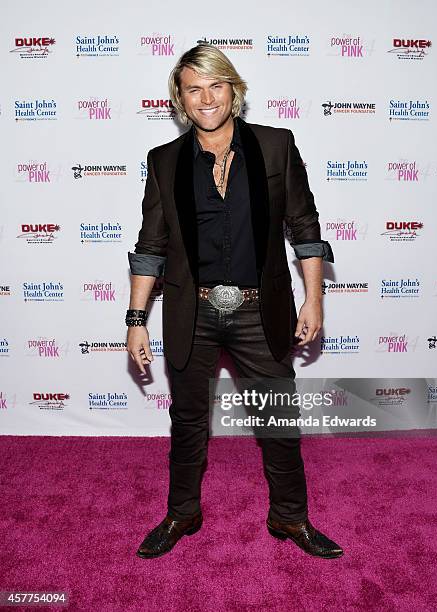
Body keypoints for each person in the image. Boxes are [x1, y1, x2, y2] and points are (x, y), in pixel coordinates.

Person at [126, 44, 343, 560]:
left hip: (258, 311)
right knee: (188, 422)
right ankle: (183, 512)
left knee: (278, 421)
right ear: (180, 99)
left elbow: (305, 227)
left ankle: (290, 519)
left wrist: (314, 299)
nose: (206, 98)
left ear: (234, 90)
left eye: (215, 85)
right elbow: (150, 246)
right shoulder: (164, 160)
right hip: (191, 311)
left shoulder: (275, 146)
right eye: (193, 88)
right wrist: (136, 320)